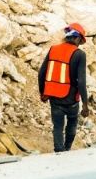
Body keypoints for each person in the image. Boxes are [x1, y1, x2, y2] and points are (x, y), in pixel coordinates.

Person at [38, 23, 90, 152]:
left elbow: (41, 73)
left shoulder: (53, 49)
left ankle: (59, 150)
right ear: (77, 38)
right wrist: (85, 105)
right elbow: (81, 81)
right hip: (71, 99)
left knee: (57, 127)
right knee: (72, 124)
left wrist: (42, 92)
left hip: (54, 97)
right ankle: (66, 149)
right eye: (80, 41)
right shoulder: (79, 54)